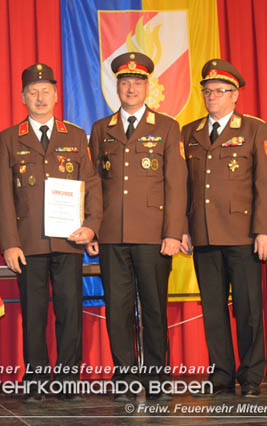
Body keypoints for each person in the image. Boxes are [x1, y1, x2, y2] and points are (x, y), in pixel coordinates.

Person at [0, 63, 102, 403]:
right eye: (33, 92)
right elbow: (2, 197)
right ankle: (36, 382)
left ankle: (70, 381)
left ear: (56, 95)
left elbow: (92, 184)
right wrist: (9, 244)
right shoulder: (9, 138)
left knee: (70, 312)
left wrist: (91, 225)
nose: (40, 98)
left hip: (69, 241)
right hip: (29, 244)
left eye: (46, 91)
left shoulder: (75, 135)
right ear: (23, 97)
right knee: (34, 314)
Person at [87, 52, 187, 402]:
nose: (131, 88)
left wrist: (173, 232)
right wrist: (93, 229)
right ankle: (126, 379)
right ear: (117, 87)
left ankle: (158, 379)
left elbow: (176, 184)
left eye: (137, 82)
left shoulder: (167, 127)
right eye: (125, 82)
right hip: (112, 235)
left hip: (153, 236)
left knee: (155, 310)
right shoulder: (102, 129)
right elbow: (94, 183)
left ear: (148, 86)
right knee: (118, 310)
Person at [181, 59, 267, 397]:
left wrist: (265, 230)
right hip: (204, 234)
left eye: (220, 91)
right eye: (207, 91)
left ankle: (251, 376)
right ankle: (221, 374)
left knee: (249, 309)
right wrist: (183, 227)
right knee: (212, 310)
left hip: (243, 235)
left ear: (235, 95)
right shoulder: (189, 132)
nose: (212, 97)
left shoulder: (254, 129)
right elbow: (182, 187)